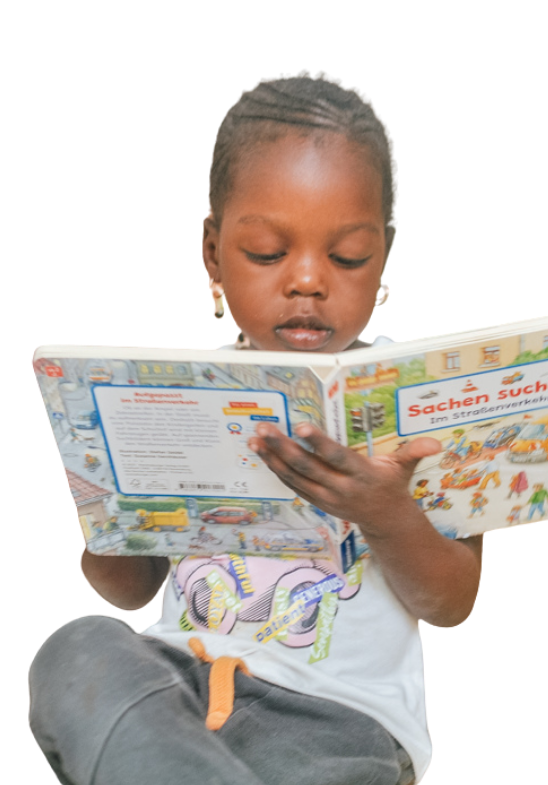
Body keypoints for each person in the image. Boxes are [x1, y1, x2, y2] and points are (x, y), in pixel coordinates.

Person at [28, 71, 484, 785]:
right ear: (213, 254)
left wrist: (386, 512)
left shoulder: (419, 394)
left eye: (347, 256)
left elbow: (451, 604)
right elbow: (126, 591)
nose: (307, 281)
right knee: (77, 648)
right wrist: (109, 506)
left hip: (337, 725)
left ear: (384, 256)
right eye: (268, 252)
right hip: (179, 688)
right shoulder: (174, 396)